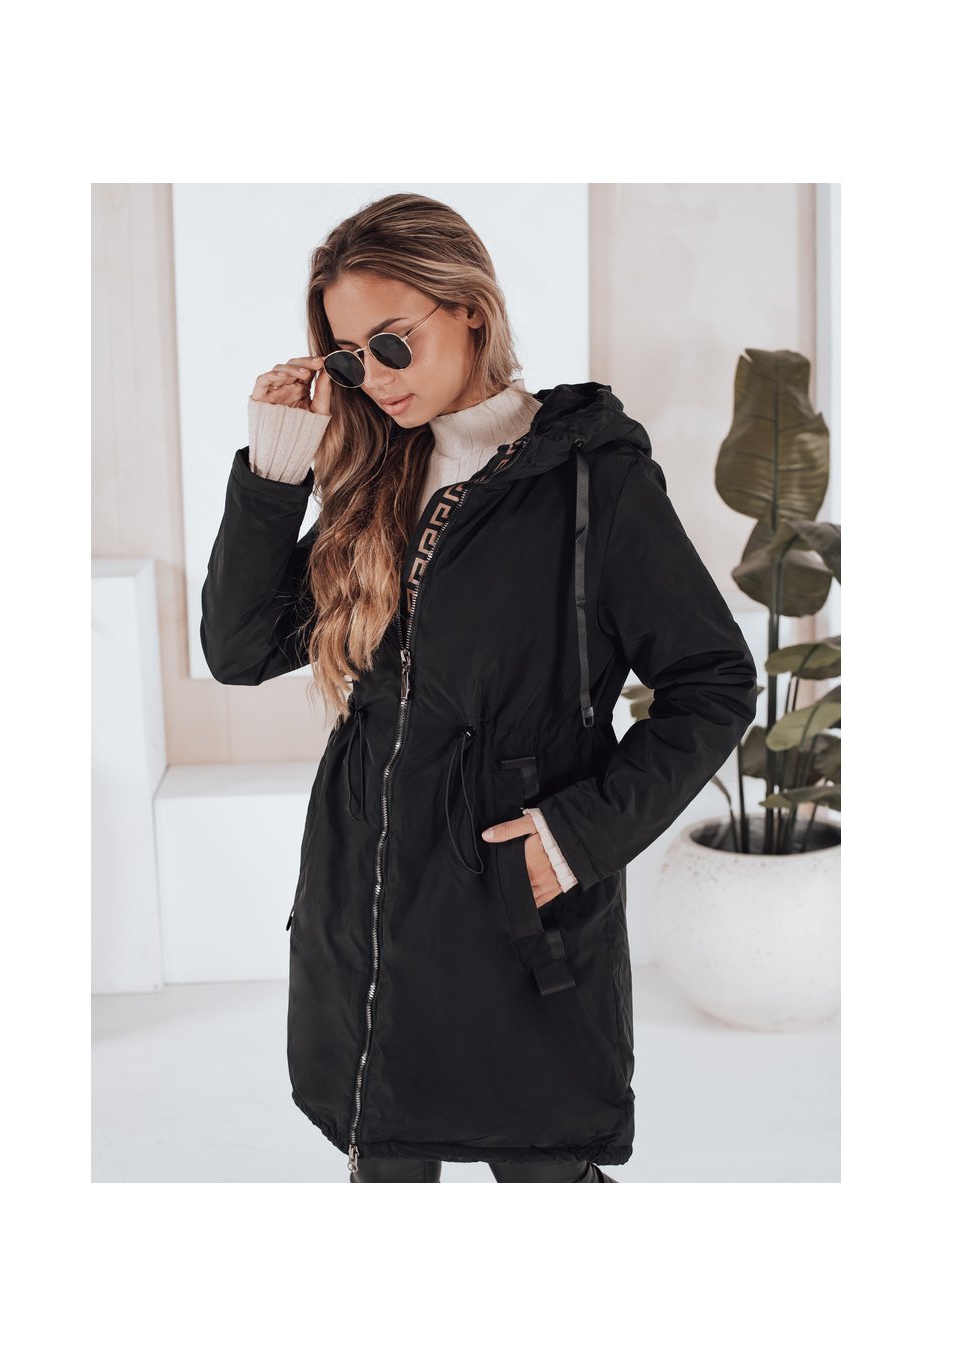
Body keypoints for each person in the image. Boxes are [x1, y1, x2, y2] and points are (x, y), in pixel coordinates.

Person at [200, 192, 759, 1183]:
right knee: (385, 1164)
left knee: (544, 1166)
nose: (375, 378)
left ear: (467, 307)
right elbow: (239, 648)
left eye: (392, 343)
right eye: (348, 358)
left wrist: (574, 837)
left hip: (512, 901)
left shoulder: (592, 480)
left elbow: (712, 680)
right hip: (367, 897)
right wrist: (277, 468)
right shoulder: (375, 477)